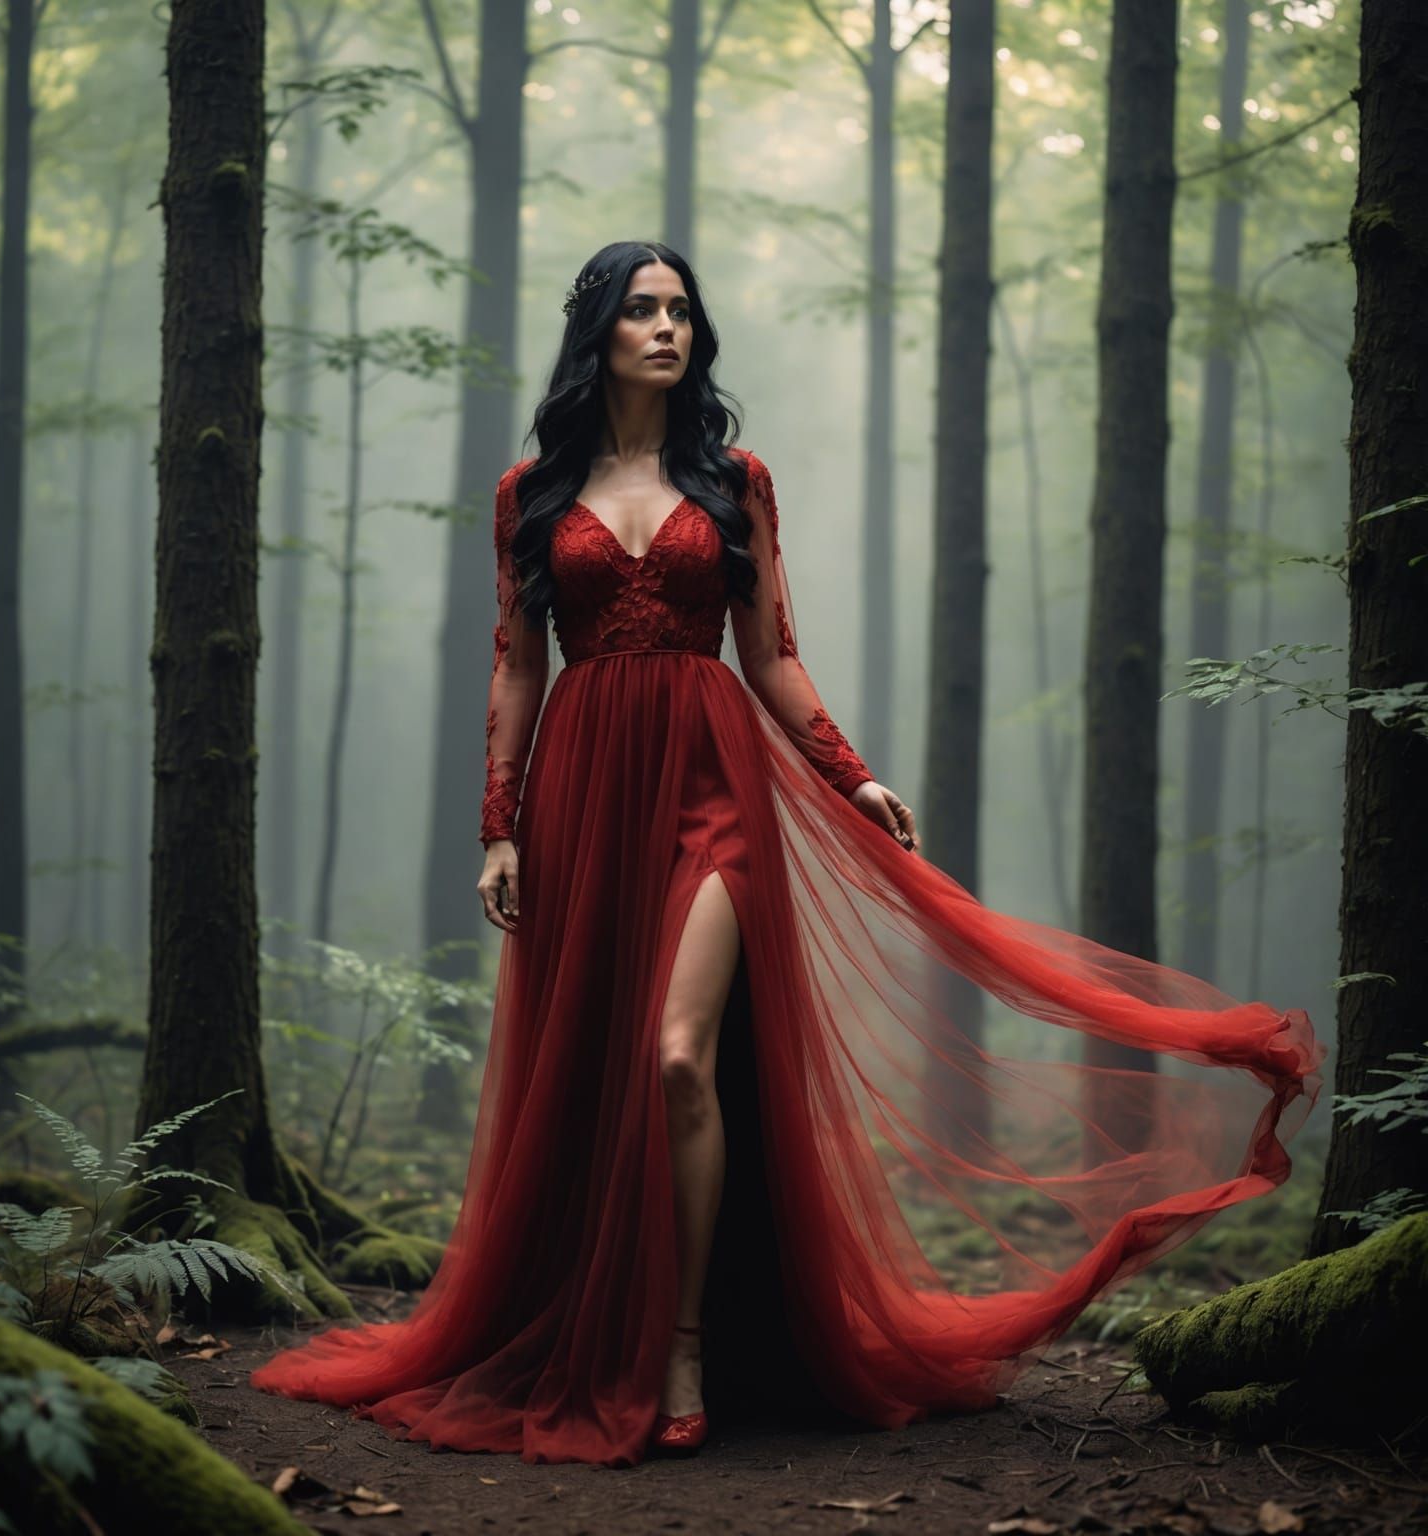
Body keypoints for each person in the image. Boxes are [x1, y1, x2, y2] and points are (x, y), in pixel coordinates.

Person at [250, 239, 1324, 1468]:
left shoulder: (735, 478)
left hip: (714, 781)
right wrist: (499, 825)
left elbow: (770, 656)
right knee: (596, 1054)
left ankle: (686, 1343)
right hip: (587, 787)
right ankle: (592, 1326)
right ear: (596, 330)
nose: (667, 329)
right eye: (641, 310)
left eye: (682, 312)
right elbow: (515, 665)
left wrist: (851, 772)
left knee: (674, 1056)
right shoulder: (532, 490)